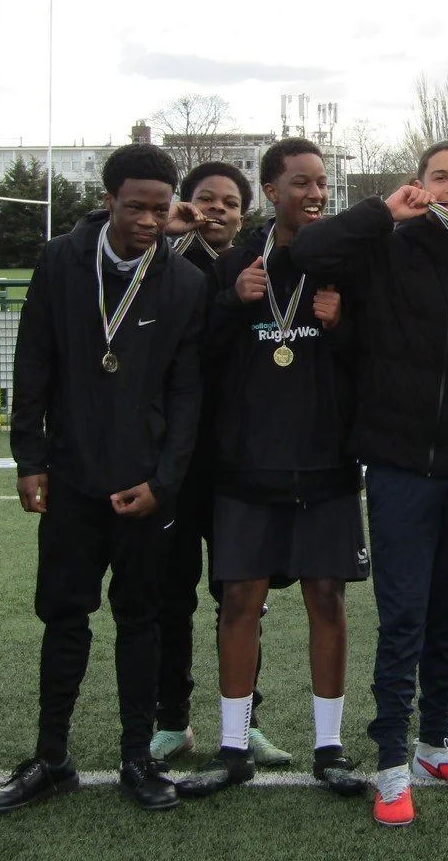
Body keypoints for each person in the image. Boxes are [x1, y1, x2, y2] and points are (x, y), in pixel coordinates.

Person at [290, 138, 448, 827]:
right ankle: (392, 762)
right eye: (439, 176)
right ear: (419, 184)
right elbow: (308, 252)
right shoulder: (385, 247)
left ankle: (435, 745)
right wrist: (382, 211)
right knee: (403, 619)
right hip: (399, 469)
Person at [0, 144, 207, 814]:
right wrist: (30, 458)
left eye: (160, 210)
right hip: (72, 478)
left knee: (140, 620)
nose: (148, 221)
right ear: (108, 201)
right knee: (63, 615)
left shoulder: (184, 281)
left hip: (142, 487)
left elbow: (187, 393)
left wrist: (164, 483)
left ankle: (137, 757)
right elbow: (33, 359)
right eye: (135, 207)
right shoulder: (61, 261)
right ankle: (51, 756)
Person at [177, 138, 367, 800]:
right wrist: (231, 302)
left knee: (328, 600)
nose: (315, 194)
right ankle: (233, 749)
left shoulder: (344, 266)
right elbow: (194, 359)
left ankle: (329, 748)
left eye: (322, 183)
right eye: (301, 183)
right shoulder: (232, 264)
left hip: (325, 464)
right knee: (239, 602)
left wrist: (341, 327)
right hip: (247, 465)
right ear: (271, 191)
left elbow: (374, 360)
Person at [149, 161, 291, 769]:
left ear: (245, 210)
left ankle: (245, 721)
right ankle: (171, 720)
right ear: (185, 204)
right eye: (205, 199)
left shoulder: (262, 265)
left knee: (242, 598)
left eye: (230, 202)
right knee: (169, 595)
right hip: (175, 461)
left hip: (237, 461)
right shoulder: (160, 263)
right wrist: (167, 234)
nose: (217, 210)